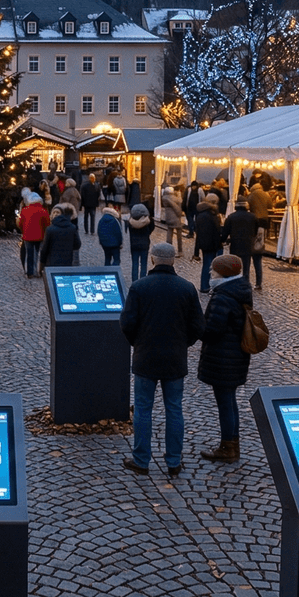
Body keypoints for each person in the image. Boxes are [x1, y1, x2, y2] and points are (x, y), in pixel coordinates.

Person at [120, 242, 204, 476]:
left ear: (152, 260)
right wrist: (183, 343)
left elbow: (126, 323)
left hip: (146, 356)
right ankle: (174, 461)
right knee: (174, 409)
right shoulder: (186, 288)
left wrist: (138, 342)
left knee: (143, 410)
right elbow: (199, 326)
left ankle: (141, 460)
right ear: (173, 261)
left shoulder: (139, 287)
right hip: (175, 358)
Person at [197, 255, 256, 463]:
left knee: (225, 404)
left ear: (223, 273)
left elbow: (212, 330)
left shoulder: (223, 296)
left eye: (213, 270)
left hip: (223, 359)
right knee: (230, 402)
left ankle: (227, 448)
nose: (210, 273)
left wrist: (199, 326)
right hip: (235, 357)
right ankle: (232, 444)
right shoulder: (240, 291)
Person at [224, 199, 260, 291]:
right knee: (246, 265)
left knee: (235, 265)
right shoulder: (253, 216)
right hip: (248, 244)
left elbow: (226, 231)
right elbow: (256, 230)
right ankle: (245, 283)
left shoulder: (231, 217)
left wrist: (223, 240)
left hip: (235, 244)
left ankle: (235, 282)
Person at [192, 196, 224, 290]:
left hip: (204, 242)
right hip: (212, 243)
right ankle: (206, 286)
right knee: (209, 265)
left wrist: (196, 250)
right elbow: (216, 230)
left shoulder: (200, 213)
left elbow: (197, 231)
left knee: (207, 264)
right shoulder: (212, 214)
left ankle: (204, 285)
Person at [39, 204, 80, 269]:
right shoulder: (72, 228)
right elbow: (77, 245)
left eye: (57, 212)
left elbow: (45, 249)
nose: (55, 214)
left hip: (52, 263)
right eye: (54, 212)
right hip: (67, 262)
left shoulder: (50, 229)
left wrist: (42, 265)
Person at [19, 191, 49, 277]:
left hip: (27, 236)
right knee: (39, 253)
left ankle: (30, 272)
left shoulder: (25, 210)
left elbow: (21, 223)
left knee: (29, 254)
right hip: (40, 236)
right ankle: (39, 271)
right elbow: (47, 224)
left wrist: (24, 230)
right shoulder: (43, 211)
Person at [124, 203, 156, 283]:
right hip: (144, 245)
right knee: (143, 264)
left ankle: (134, 281)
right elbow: (152, 228)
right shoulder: (148, 221)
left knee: (135, 264)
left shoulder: (130, 222)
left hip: (134, 245)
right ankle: (142, 281)